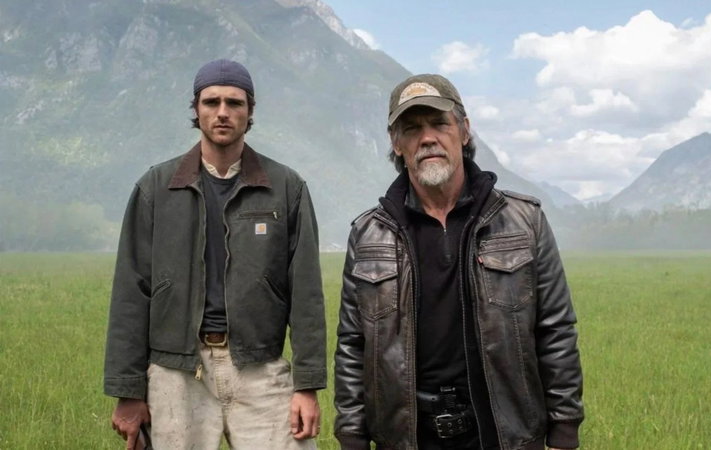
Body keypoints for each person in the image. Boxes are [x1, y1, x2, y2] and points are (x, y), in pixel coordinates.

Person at [334, 74, 583, 450]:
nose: (427, 138)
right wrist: (352, 435)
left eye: (439, 123)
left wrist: (564, 429)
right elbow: (353, 344)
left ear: (464, 131)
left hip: (504, 436)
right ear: (396, 143)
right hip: (407, 438)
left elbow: (555, 330)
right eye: (412, 129)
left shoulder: (524, 221)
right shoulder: (368, 234)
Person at [104, 59, 326, 449]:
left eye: (234, 103)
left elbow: (306, 292)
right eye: (211, 102)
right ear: (196, 108)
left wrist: (306, 387)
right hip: (176, 372)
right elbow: (130, 292)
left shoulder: (286, 188)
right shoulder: (156, 188)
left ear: (250, 111)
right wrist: (128, 391)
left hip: (260, 368)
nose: (222, 112)